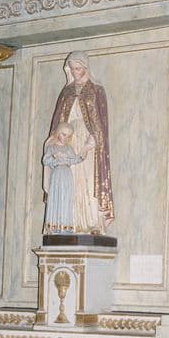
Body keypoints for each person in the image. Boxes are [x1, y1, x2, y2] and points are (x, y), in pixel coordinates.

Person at [49, 51, 114, 234]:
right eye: (72, 69)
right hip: (69, 140)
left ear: (85, 68)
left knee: (88, 180)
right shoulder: (67, 91)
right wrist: (55, 140)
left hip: (88, 142)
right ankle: (70, 222)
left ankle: (92, 222)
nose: (75, 72)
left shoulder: (96, 90)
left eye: (78, 68)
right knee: (70, 180)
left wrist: (95, 139)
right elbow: (59, 120)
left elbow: (101, 122)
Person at [42, 122, 89, 234]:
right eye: (63, 134)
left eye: (68, 136)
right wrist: (55, 158)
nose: (65, 138)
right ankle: (55, 226)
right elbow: (45, 160)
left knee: (66, 198)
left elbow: (75, 159)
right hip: (57, 174)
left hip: (67, 175)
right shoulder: (52, 148)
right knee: (57, 197)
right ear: (58, 133)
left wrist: (84, 151)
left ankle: (65, 226)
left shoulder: (68, 148)